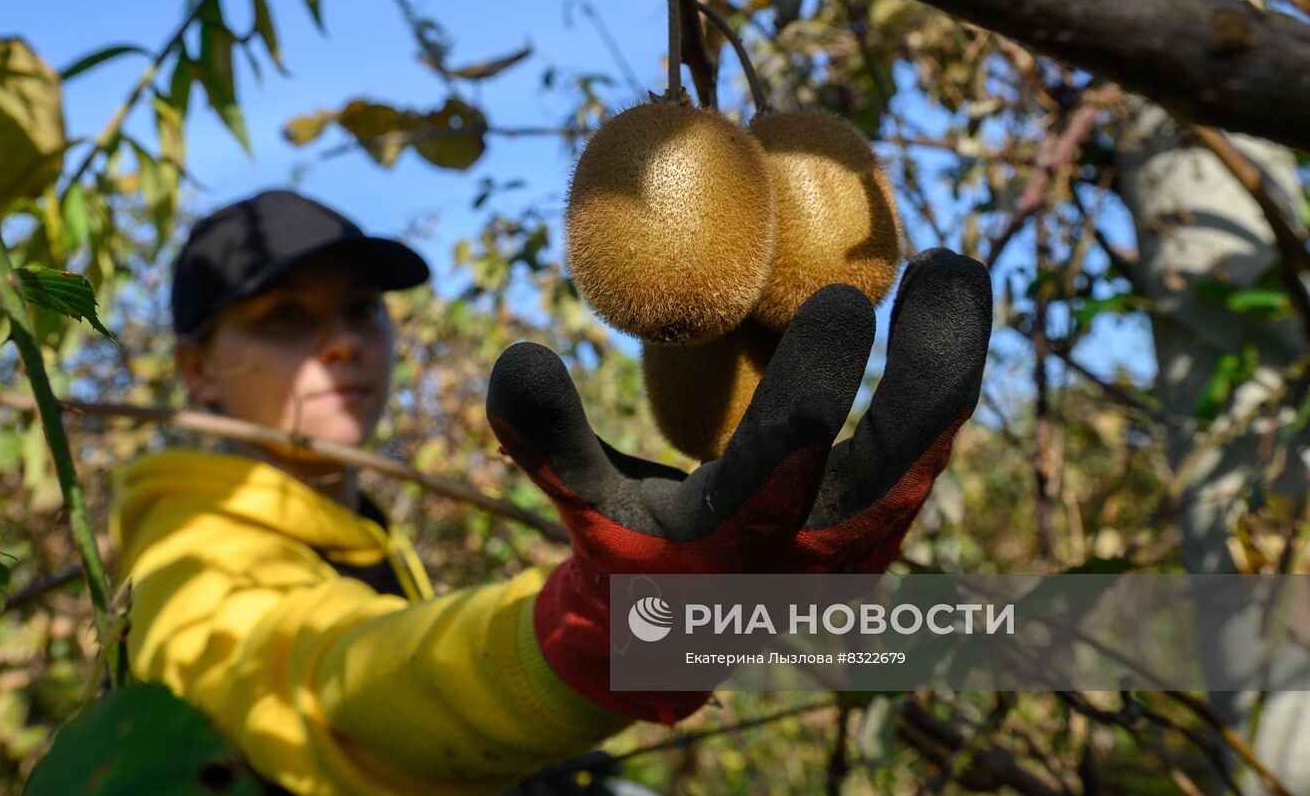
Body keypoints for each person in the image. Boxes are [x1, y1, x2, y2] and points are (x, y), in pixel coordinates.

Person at [111, 188, 992, 796]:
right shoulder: (188, 549)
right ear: (194, 367)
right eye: (286, 317)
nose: (342, 343)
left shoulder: (360, 532)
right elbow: (321, 681)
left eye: (360, 308)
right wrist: (589, 637)